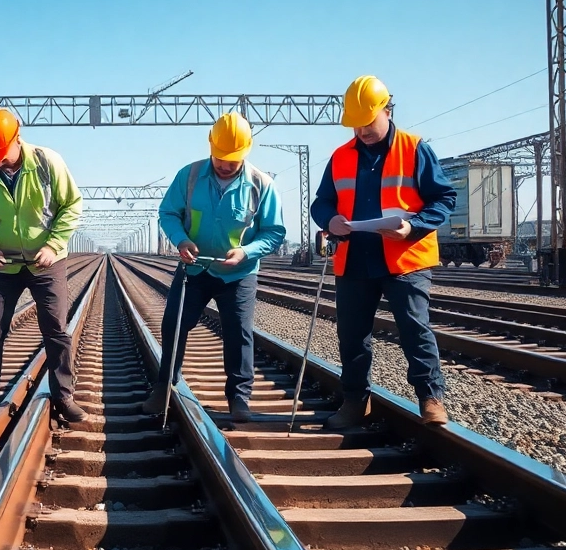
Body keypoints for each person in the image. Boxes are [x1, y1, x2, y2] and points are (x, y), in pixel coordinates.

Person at [311, 75, 457, 427]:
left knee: (414, 328)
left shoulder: (414, 147)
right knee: (351, 334)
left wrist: (413, 226)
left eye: (368, 122)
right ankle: (355, 401)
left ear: (386, 111)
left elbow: (444, 198)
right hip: (355, 258)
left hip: (405, 257)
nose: (362, 131)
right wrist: (330, 220)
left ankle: (430, 399)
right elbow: (322, 202)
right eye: (356, 125)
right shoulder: (341, 156)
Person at [144, 112, 286, 422]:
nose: (224, 164)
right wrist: (181, 241)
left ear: (246, 151)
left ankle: (239, 398)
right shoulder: (190, 176)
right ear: (211, 145)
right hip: (195, 270)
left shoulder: (262, 185)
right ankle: (164, 386)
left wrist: (246, 252)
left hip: (238, 273)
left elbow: (274, 231)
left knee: (239, 333)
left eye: (232, 160)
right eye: (220, 157)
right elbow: (168, 213)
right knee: (174, 325)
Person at [0, 108, 84, 423]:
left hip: (46, 262)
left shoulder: (47, 162)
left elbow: (72, 204)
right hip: (3, 263)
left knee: (55, 328)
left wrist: (54, 245)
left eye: (1, 154)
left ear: (18, 137)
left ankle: (64, 397)